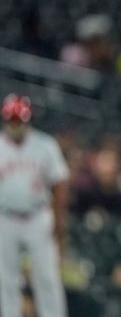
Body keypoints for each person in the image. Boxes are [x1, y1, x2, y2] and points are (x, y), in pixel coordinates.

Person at [0, 94, 69, 317]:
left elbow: (60, 182)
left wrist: (58, 221)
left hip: (38, 217)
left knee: (47, 277)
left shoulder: (45, 145)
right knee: (6, 278)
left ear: (28, 120)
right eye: (12, 120)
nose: (16, 125)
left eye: (19, 120)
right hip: (5, 217)